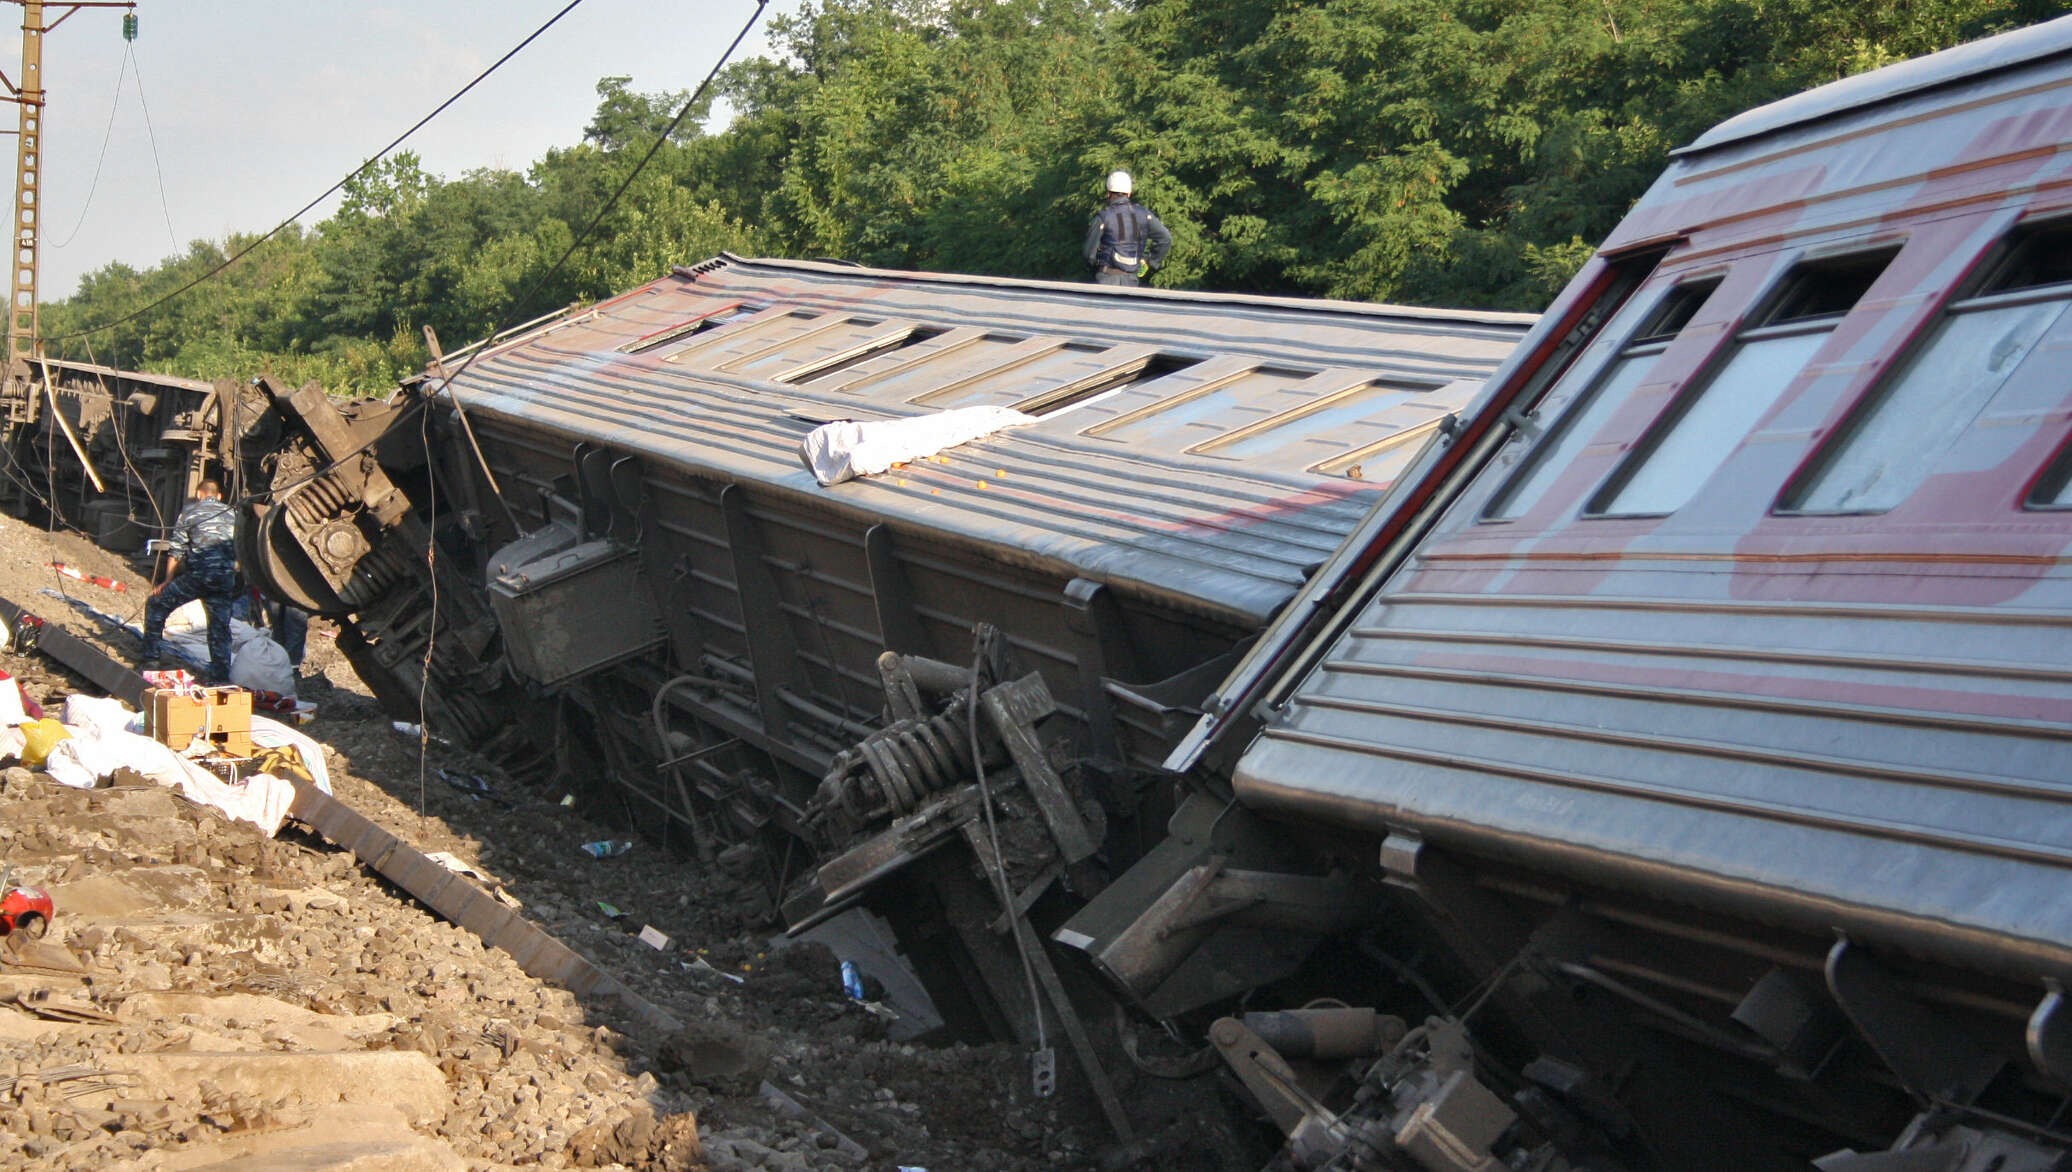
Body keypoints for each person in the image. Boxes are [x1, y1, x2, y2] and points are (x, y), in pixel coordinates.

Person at [140, 480, 239, 682]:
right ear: (219, 496)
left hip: (198, 576)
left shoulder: (189, 512)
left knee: (156, 604)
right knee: (219, 626)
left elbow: (176, 550)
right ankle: (220, 677)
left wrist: (167, 580)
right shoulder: (232, 513)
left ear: (198, 494)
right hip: (224, 578)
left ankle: (151, 659)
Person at [1084, 170, 1171, 287]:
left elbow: (1089, 254)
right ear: (1129, 194)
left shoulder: (1103, 217)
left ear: (1108, 193)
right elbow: (1165, 239)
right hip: (1131, 281)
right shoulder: (1144, 214)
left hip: (1106, 278)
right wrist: (1150, 261)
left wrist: (1093, 269)